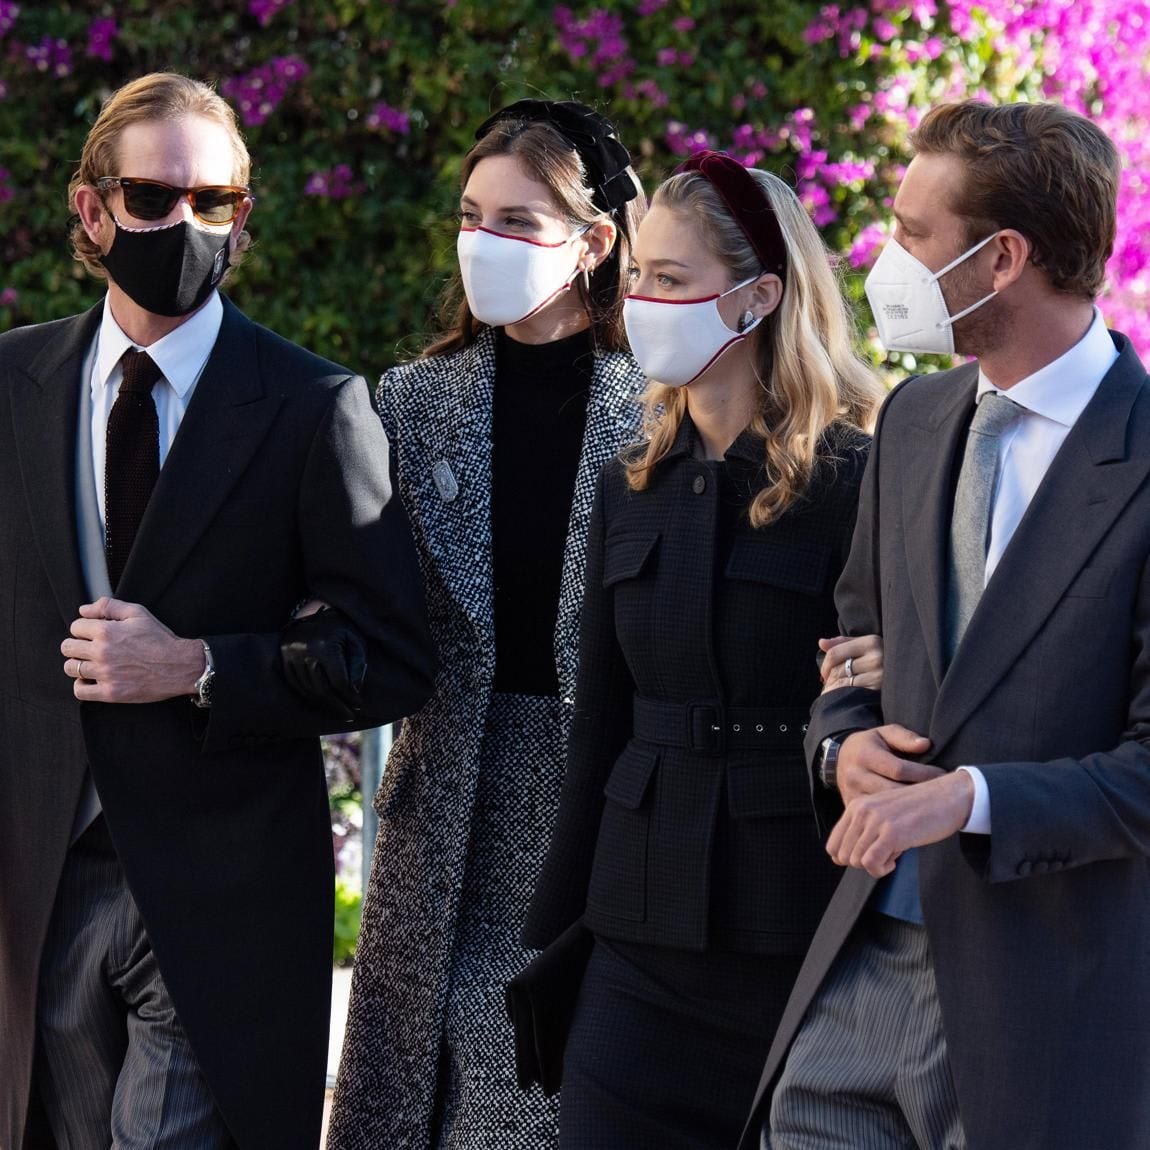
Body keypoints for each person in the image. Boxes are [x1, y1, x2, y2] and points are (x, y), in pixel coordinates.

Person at [0, 73, 436, 1150]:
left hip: (219, 896)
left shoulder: (313, 407)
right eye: (153, 199)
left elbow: (388, 654)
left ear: (243, 221)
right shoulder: (13, 384)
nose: (183, 224)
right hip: (37, 891)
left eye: (214, 203)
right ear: (92, 211)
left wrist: (198, 665)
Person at [742, 100, 1150, 1150]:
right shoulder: (914, 420)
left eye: (914, 234)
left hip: (1045, 1009)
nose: (887, 257)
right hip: (860, 971)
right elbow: (850, 647)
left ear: (1001, 256)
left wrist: (963, 800)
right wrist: (841, 742)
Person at [521, 150, 885, 1149]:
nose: (640, 302)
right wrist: (553, 929)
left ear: (758, 297)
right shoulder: (627, 485)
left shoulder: (861, 482)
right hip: (635, 938)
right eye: (636, 277)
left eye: (670, 281)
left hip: (796, 937)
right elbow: (596, 724)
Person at [325, 100, 647, 1150]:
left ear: (593, 242)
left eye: (517, 220)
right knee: (420, 1084)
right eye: (471, 215)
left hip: (590, 793)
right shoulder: (413, 400)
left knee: (537, 1091)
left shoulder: (658, 406)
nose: (483, 242)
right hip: (445, 794)